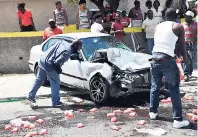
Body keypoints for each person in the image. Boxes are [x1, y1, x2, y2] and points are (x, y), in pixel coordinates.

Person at [149, 8, 189, 129]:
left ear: (164, 16)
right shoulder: (178, 26)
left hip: (154, 58)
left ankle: (153, 112)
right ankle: (177, 120)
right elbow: (181, 45)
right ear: (176, 16)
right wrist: (185, 58)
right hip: (167, 60)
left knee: (155, 86)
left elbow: (163, 42)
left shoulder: (158, 26)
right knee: (174, 88)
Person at [28, 39, 82, 107]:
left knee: (39, 79)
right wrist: (59, 70)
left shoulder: (63, 42)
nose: (79, 50)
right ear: (75, 46)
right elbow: (56, 63)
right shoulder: (67, 52)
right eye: (79, 48)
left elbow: (52, 47)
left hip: (43, 60)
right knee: (55, 82)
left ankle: (31, 96)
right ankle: (56, 102)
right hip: (50, 64)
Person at [181, 11, 197, 82]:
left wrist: (195, 44)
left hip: (192, 44)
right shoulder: (182, 25)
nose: (185, 17)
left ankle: (189, 72)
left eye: (187, 16)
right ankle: (186, 73)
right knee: (185, 58)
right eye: (185, 16)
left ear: (191, 18)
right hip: (184, 43)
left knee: (191, 58)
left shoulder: (196, 24)